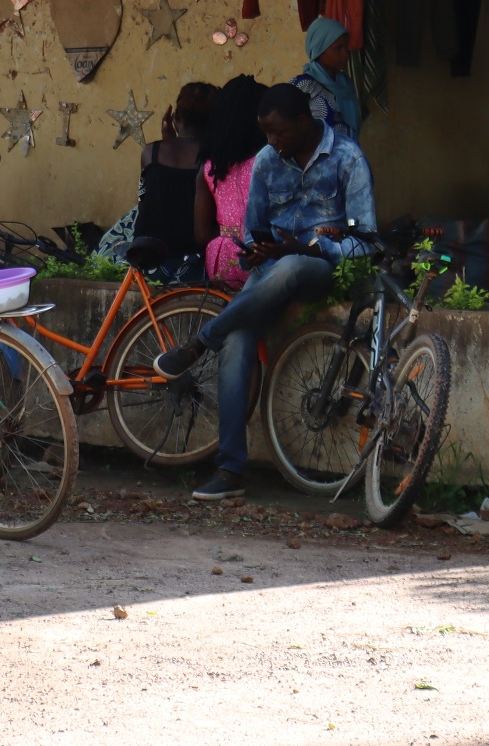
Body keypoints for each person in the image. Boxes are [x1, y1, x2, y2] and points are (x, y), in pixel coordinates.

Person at [155, 81, 376, 500]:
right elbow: (252, 232)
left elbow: (365, 241)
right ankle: (229, 469)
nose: (273, 141)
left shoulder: (348, 159)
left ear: (303, 121)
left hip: (320, 269)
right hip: (271, 271)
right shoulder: (266, 161)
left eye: (280, 132)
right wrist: (255, 251)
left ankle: (201, 340)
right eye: (267, 133)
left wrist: (306, 247)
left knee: (292, 264)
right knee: (238, 341)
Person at [123, 82, 215, 282]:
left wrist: (168, 141)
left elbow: (145, 203)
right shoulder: (215, 158)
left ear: (176, 117)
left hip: (149, 260)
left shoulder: (151, 152)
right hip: (194, 263)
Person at [192, 74, 266, 286]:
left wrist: (229, 236)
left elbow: (202, 234)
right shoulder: (267, 161)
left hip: (222, 260)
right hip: (262, 256)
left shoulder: (209, 168)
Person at [293, 15, 361, 139]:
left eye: (347, 48)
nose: (346, 54)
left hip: (349, 150)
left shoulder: (346, 84)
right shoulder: (303, 86)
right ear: (319, 50)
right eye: (338, 48)